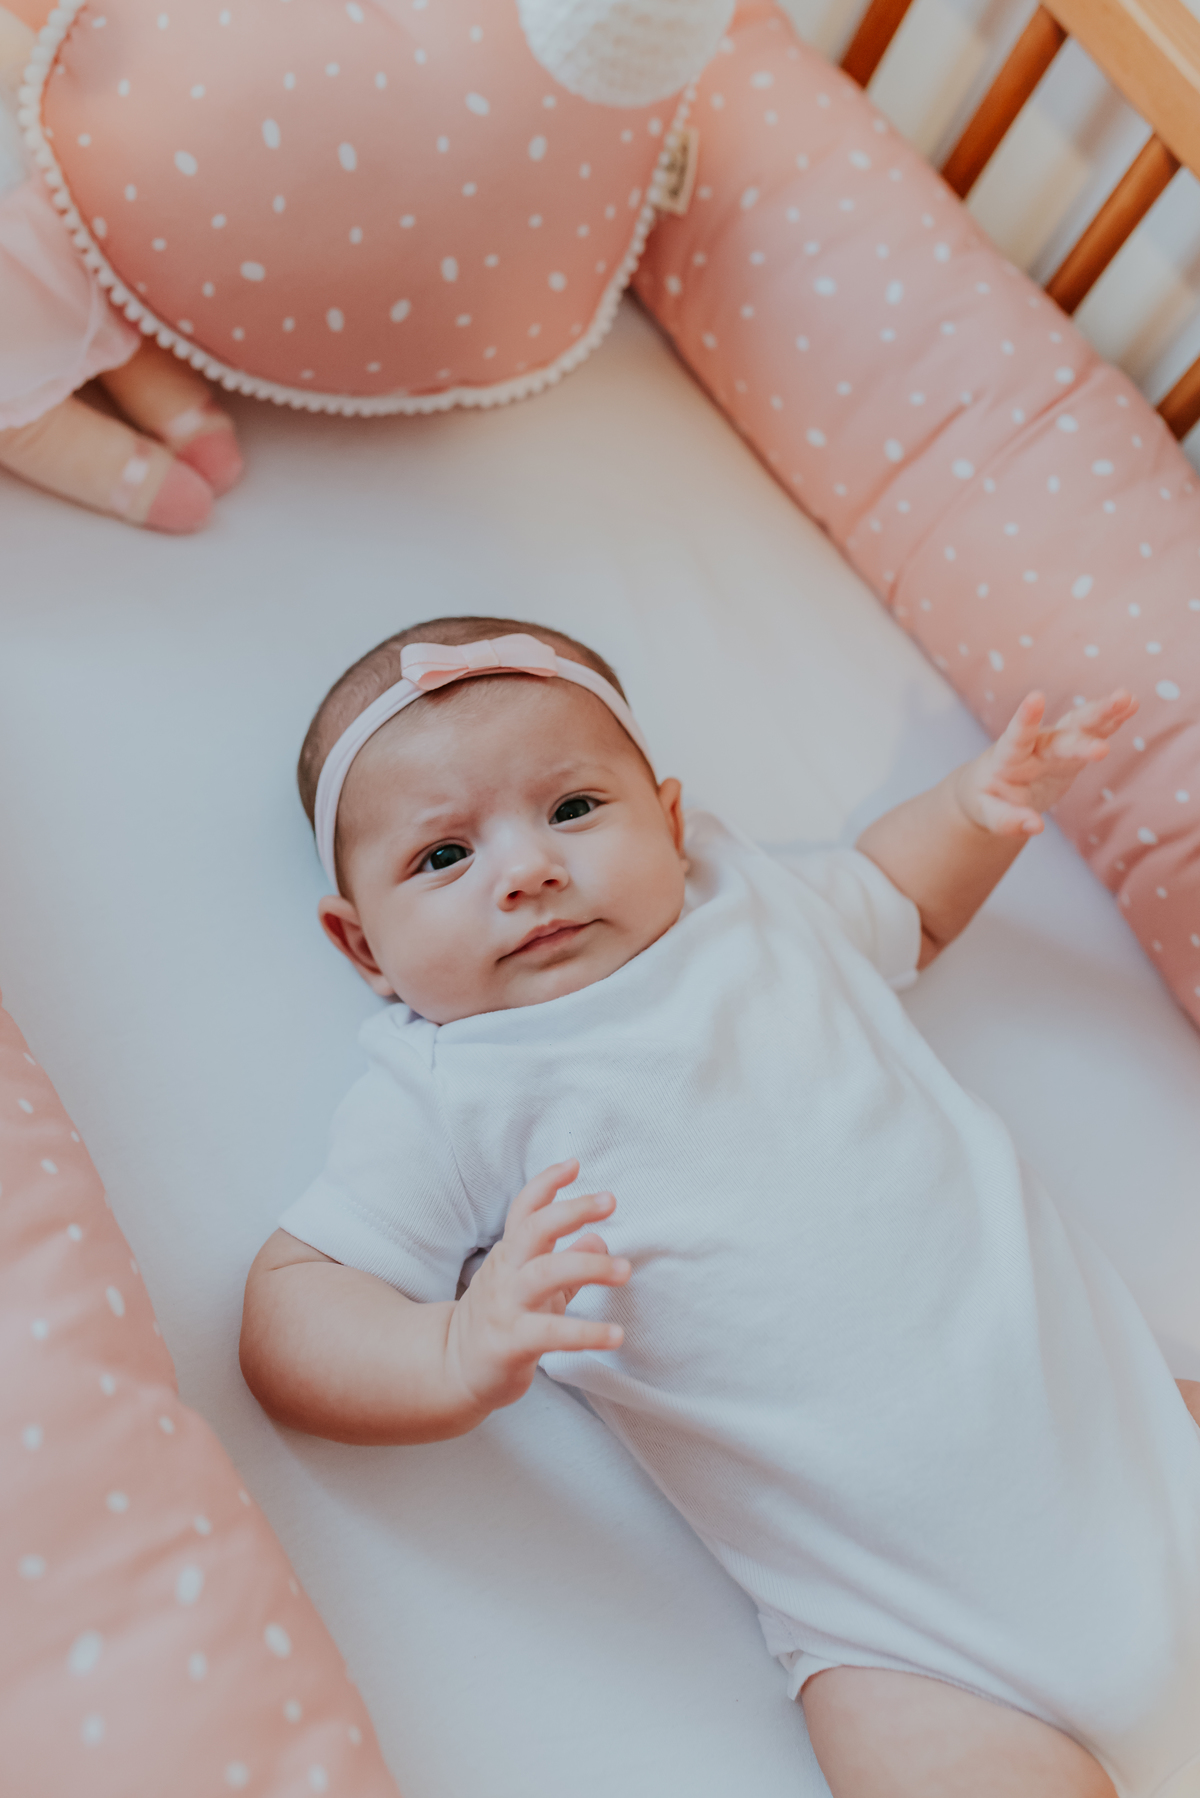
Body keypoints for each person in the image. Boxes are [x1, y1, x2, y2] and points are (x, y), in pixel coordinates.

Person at [240, 614, 1200, 1798]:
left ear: (674, 824)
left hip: (1140, 1437)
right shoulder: (452, 1090)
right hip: (910, 1640)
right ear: (361, 947)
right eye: (442, 857)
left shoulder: (759, 910)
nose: (525, 869)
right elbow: (291, 1311)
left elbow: (905, 899)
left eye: (574, 809)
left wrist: (975, 808)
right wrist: (451, 1343)